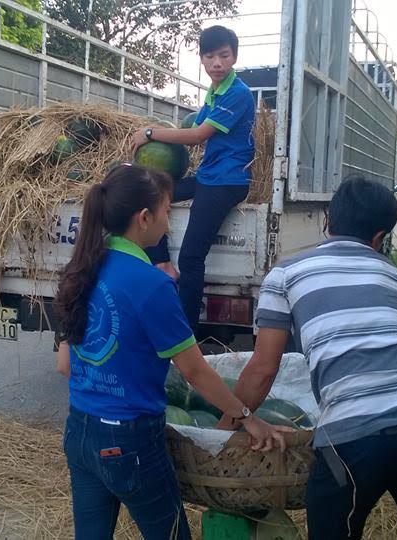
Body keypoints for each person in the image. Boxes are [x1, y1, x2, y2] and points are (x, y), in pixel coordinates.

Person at [218, 176, 397, 540]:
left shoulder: (285, 274)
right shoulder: (394, 276)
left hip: (352, 440)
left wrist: (223, 431)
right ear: (380, 238)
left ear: (327, 222)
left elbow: (262, 368)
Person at [54, 164, 289, 540]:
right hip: (129, 442)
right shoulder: (151, 284)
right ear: (144, 218)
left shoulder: (81, 271)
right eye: (166, 211)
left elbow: (64, 364)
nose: (169, 222)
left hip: (80, 431)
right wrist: (246, 416)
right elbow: (194, 372)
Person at [129, 25, 256, 329]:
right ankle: (161, 263)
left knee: (191, 258)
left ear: (234, 57)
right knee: (150, 192)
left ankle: (185, 334)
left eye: (224, 56)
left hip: (226, 183)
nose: (217, 63)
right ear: (201, 59)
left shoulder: (238, 94)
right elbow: (190, 127)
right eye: (210, 56)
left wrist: (149, 132)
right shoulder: (215, 92)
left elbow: (198, 135)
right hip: (208, 177)